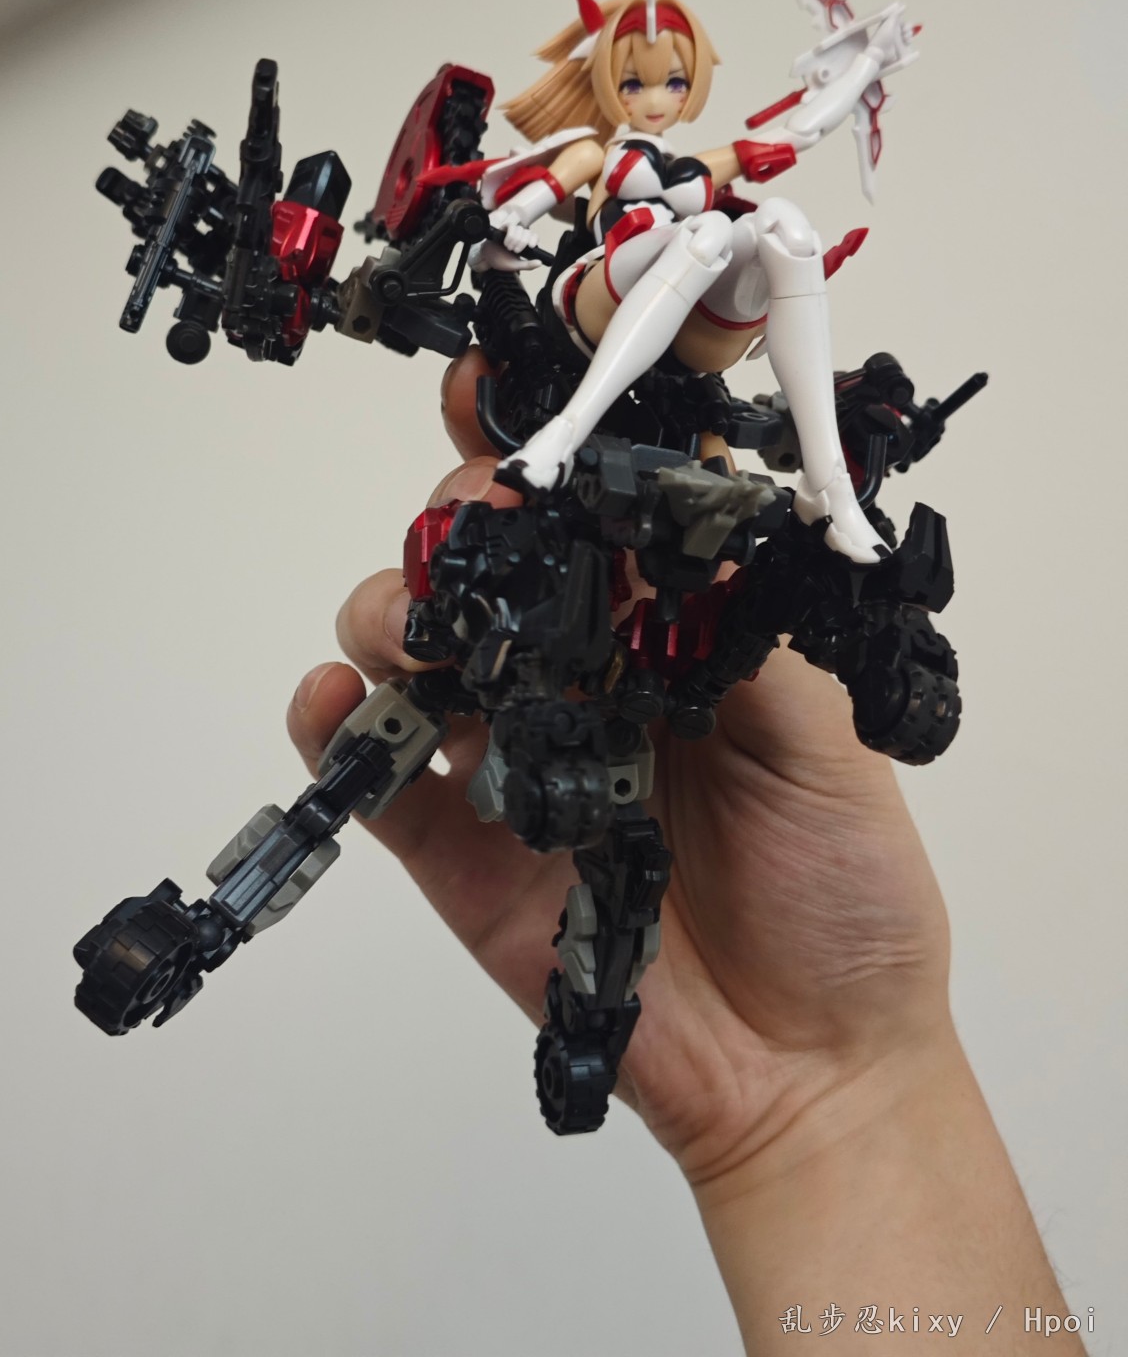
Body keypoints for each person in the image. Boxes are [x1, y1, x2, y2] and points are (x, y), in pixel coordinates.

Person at [285, 350, 1089, 1355]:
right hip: (574, 644)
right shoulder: (577, 458)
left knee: (628, 856)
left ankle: (589, 1029)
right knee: (425, 705)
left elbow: (796, 493)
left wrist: (857, 1081)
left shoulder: (736, 491)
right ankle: (221, 914)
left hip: (668, 682)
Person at [473, 0, 912, 565]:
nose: (655, 97)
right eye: (634, 82)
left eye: (673, 81)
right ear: (608, 84)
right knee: (705, 231)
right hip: (597, 298)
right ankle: (563, 434)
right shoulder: (596, 154)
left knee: (787, 226)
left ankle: (828, 484)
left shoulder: (704, 164)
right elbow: (524, 203)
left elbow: (804, 129)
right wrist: (512, 222)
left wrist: (869, 62)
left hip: (688, 324)